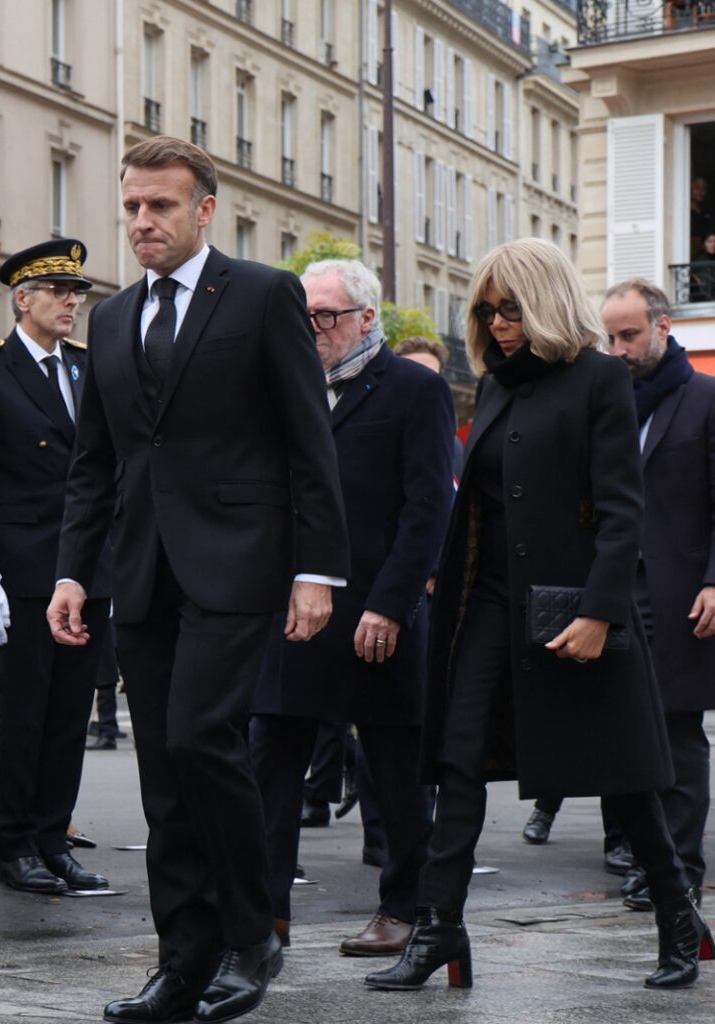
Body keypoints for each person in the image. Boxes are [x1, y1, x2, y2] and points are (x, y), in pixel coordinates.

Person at [48, 136, 349, 1024]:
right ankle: (182, 960)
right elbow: (93, 464)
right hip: (142, 571)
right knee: (163, 773)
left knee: (200, 738)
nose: (143, 221)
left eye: (162, 206)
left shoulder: (260, 295)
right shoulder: (111, 318)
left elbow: (309, 441)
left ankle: (254, 937)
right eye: (132, 207)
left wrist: (317, 570)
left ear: (205, 210)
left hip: (239, 562)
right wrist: (73, 573)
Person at [365, 238, 710, 995]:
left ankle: (677, 916)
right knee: (457, 761)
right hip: (486, 605)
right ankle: (438, 927)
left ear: (547, 302)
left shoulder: (599, 378)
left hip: (576, 608)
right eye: (488, 311)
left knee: (625, 778)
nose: (498, 324)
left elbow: (623, 511)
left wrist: (600, 613)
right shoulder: (494, 386)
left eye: (512, 309)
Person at [251, 257, 456, 957]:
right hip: (291, 610)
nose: (312, 328)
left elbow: (427, 509)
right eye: (302, 315)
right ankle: (265, 915)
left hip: (376, 613)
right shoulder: (284, 386)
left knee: (394, 770)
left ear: (368, 318)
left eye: (326, 316)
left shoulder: (415, 389)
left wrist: (392, 605)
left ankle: (405, 907)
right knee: (270, 762)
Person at [0, 238, 111, 895]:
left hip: (84, 569)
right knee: (24, 716)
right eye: (60, 291)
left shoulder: (86, 367)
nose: (73, 302)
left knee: (69, 714)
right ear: (23, 299)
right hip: (20, 574)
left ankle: (52, 839)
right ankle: (16, 847)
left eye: (77, 293)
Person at [602, 279, 715, 909]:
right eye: (609, 337)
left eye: (629, 335)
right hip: (612, 593)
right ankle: (645, 859)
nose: (618, 349)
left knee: (678, 735)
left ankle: (681, 871)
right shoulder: (606, 402)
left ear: (663, 328)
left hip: (682, 596)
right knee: (622, 736)